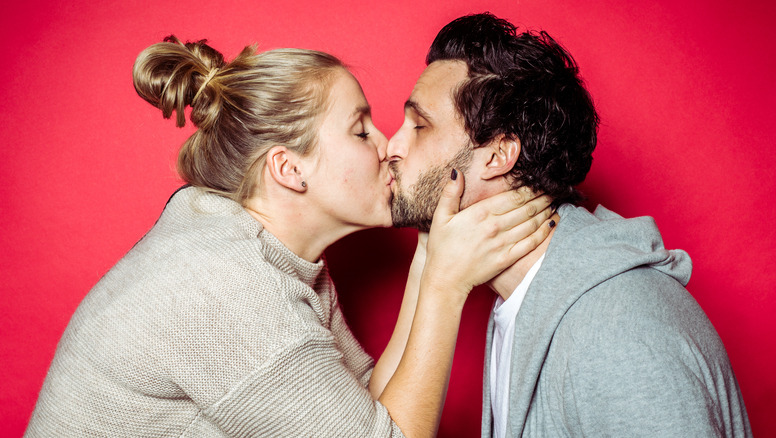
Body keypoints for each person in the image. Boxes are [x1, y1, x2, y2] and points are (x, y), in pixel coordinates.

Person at [25, 36, 555, 437]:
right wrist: (446, 285)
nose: (388, 146)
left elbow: (365, 411)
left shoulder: (265, 254)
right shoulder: (227, 288)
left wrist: (427, 254)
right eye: (359, 129)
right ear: (289, 170)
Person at [387, 13, 752, 437]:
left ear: (498, 154)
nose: (392, 145)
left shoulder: (617, 331)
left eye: (419, 125)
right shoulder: (527, 301)